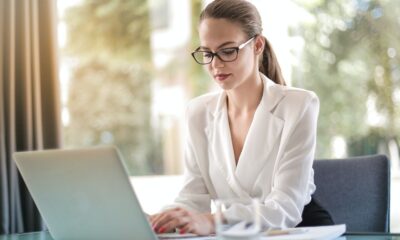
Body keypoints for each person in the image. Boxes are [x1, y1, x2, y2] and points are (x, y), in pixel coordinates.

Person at [150, 0, 333, 235]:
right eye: (207, 52)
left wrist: (214, 221)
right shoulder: (198, 113)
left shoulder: (299, 105)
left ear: (257, 45)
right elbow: (192, 198)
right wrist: (160, 220)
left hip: (299, 231)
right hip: (236, 234)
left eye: (228, 51)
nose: (216, 64)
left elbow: (285, 209)